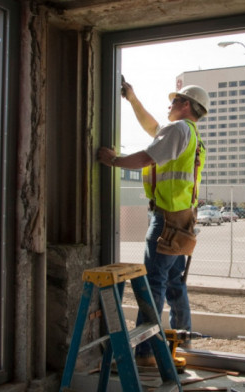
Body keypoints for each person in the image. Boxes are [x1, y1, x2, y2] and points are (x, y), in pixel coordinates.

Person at [98, 79, 209, 366]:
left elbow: (148, 157)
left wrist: (114, 160)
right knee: (173, 283)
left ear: (186, 105)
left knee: (152, 284)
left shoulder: (177, 129)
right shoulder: (191, 134)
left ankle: (146, 353)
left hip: (166, 220)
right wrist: (133, 98)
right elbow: (152, 128)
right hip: (183, 220)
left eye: (174, 101)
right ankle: (179, 341)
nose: (169, 105)